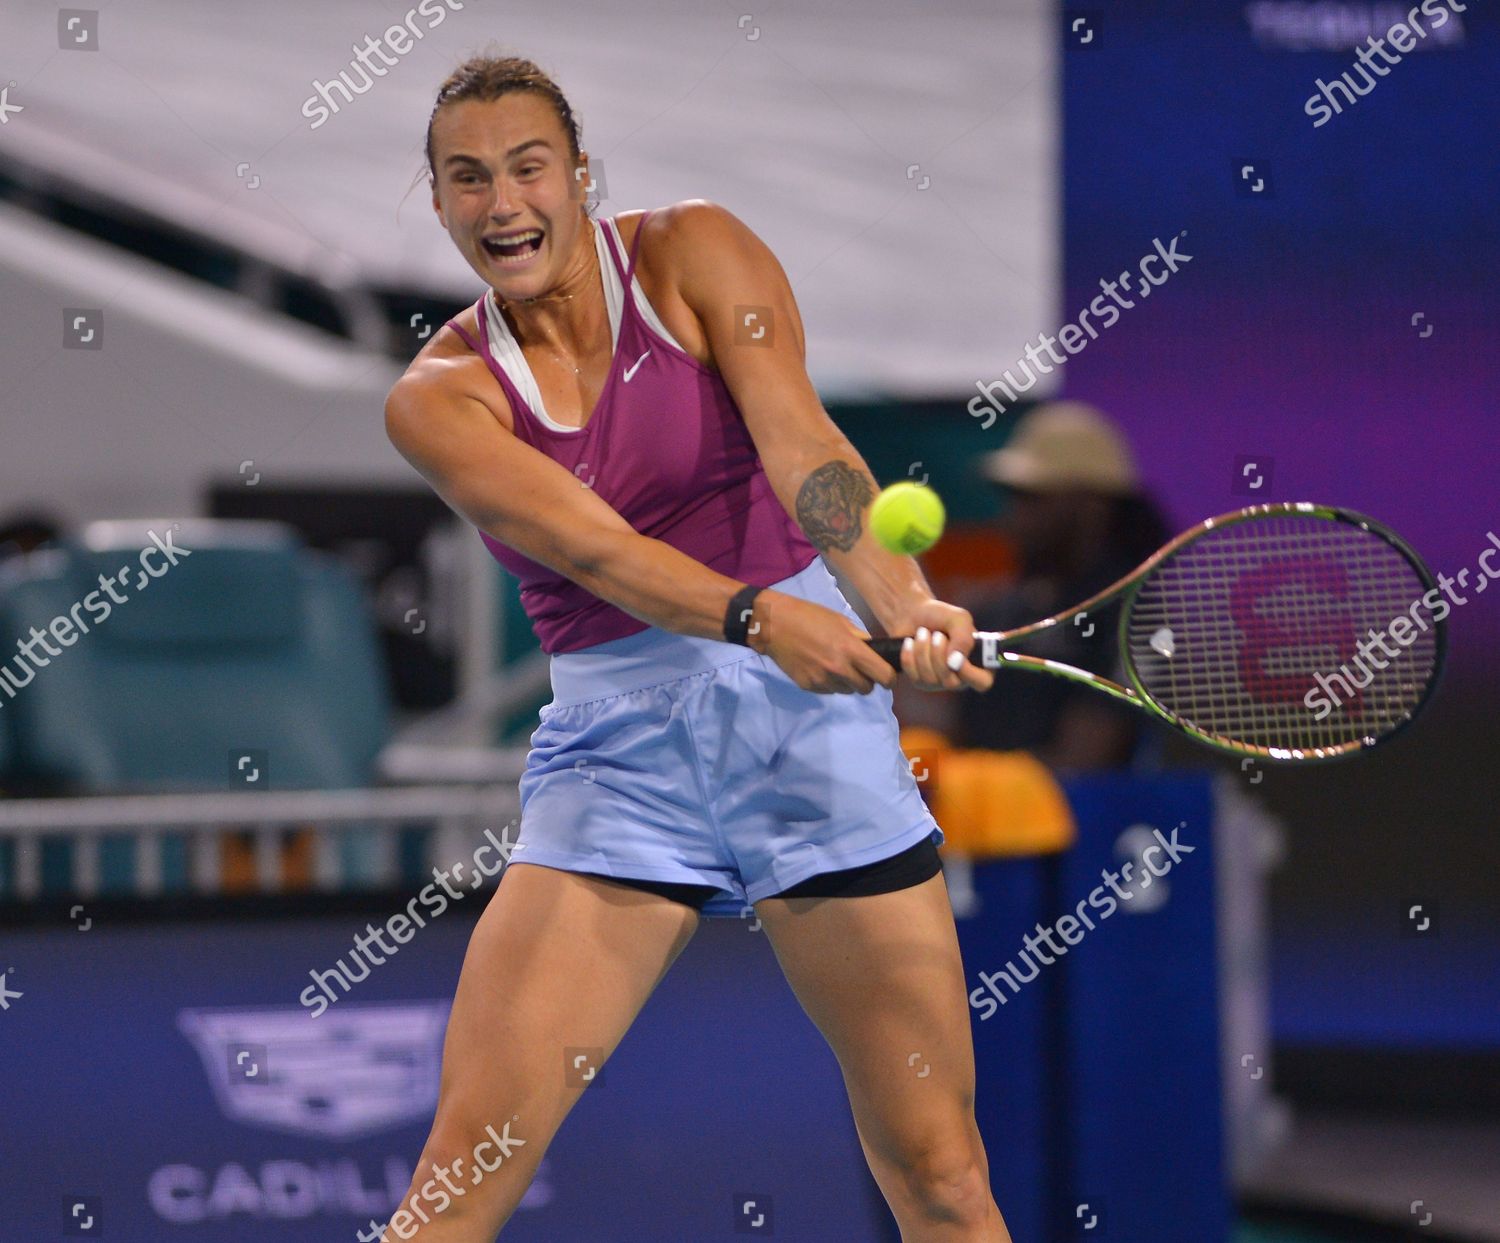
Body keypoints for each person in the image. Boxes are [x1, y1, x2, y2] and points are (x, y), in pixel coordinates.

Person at [379, 55, 1013, 1242]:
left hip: (814, 743)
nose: (503, 203)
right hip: (620, 763)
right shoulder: (438, 398)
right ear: (439, 203)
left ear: (580, 175)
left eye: (528, 168)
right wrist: (768, 619)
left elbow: (804, 445)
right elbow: (601, 552)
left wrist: (898, 595)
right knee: (459, 1182)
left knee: (940, 1171)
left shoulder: (697, 253)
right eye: (469, 180)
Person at [896, 402, 1170, 773]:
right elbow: (958, 735)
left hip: (1095, 827)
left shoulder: (1135, 619)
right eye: (1012, 498)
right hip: (980, 823)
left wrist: (972, 787)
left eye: (1033, 498)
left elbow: (1084, 763)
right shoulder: (992, 613)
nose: (1013, 517)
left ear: (1092, 506)